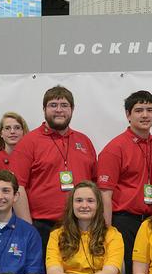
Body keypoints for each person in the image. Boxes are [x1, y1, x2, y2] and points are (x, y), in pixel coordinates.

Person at [10, 85, 99, 247]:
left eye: (64, 105)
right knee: (44, 273)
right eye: (53, 105)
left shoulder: (84, 141)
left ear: (72, 109)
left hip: (81, 225)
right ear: (44, 109)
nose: (59, 110)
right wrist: (28, 228)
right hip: (42, 227)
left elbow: (94, 185)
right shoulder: (28, 142)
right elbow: (18, 187)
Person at [97, 91, 152, 274]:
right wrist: (107, 234)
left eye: (149, 110)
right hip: (124, 222)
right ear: (128, 115)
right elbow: (105, 195)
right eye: (139, 110)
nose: (145, 115)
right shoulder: (114, 149)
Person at [0, 111, 27, 185]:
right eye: (7, 128)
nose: (12, 131)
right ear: (1, 133)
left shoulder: (32, 160)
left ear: (23, 131)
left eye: (17, 127)